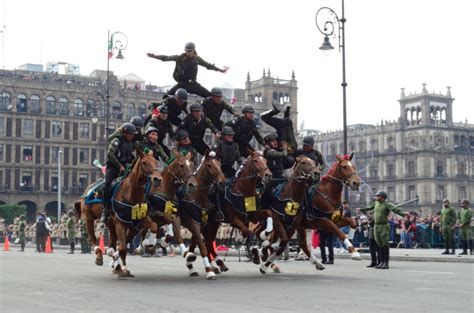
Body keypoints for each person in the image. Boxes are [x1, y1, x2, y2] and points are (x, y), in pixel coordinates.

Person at [147, 42, 228, 98]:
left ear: (194, 51)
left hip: (193, 84)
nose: (189, 53)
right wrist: (155, 56)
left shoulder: (197, 59)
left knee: (210, 96)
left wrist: (220, 70)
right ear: (185, 51)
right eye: (187, 51)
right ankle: (155, 115)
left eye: (191, 51)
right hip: (182, 84)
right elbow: (166, 58)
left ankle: (204, 115)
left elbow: (208, 65)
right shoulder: (180, 58)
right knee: (166, 97)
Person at [100, 122, 139, 223]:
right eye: (130, 134)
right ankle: (105, 209)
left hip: (126, 167)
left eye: (133, 134)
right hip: (113, 167)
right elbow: (110, 154)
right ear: (125, 133)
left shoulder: (132, 143)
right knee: (107, 184)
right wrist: (119, 166)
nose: (132, 136)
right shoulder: (116, 140)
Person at [360, 190, 407, 269]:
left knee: (385, 244)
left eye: (378, 196)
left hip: (384, 226)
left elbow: (395, 209)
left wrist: (403, 214)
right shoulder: (376, 203)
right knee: (379, 244)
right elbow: (368, 207)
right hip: (376, 226)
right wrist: (362, 209)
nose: (376, 197)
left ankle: (386, 263)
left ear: (382, 197)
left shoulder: (387, 204)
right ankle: (381, 262)